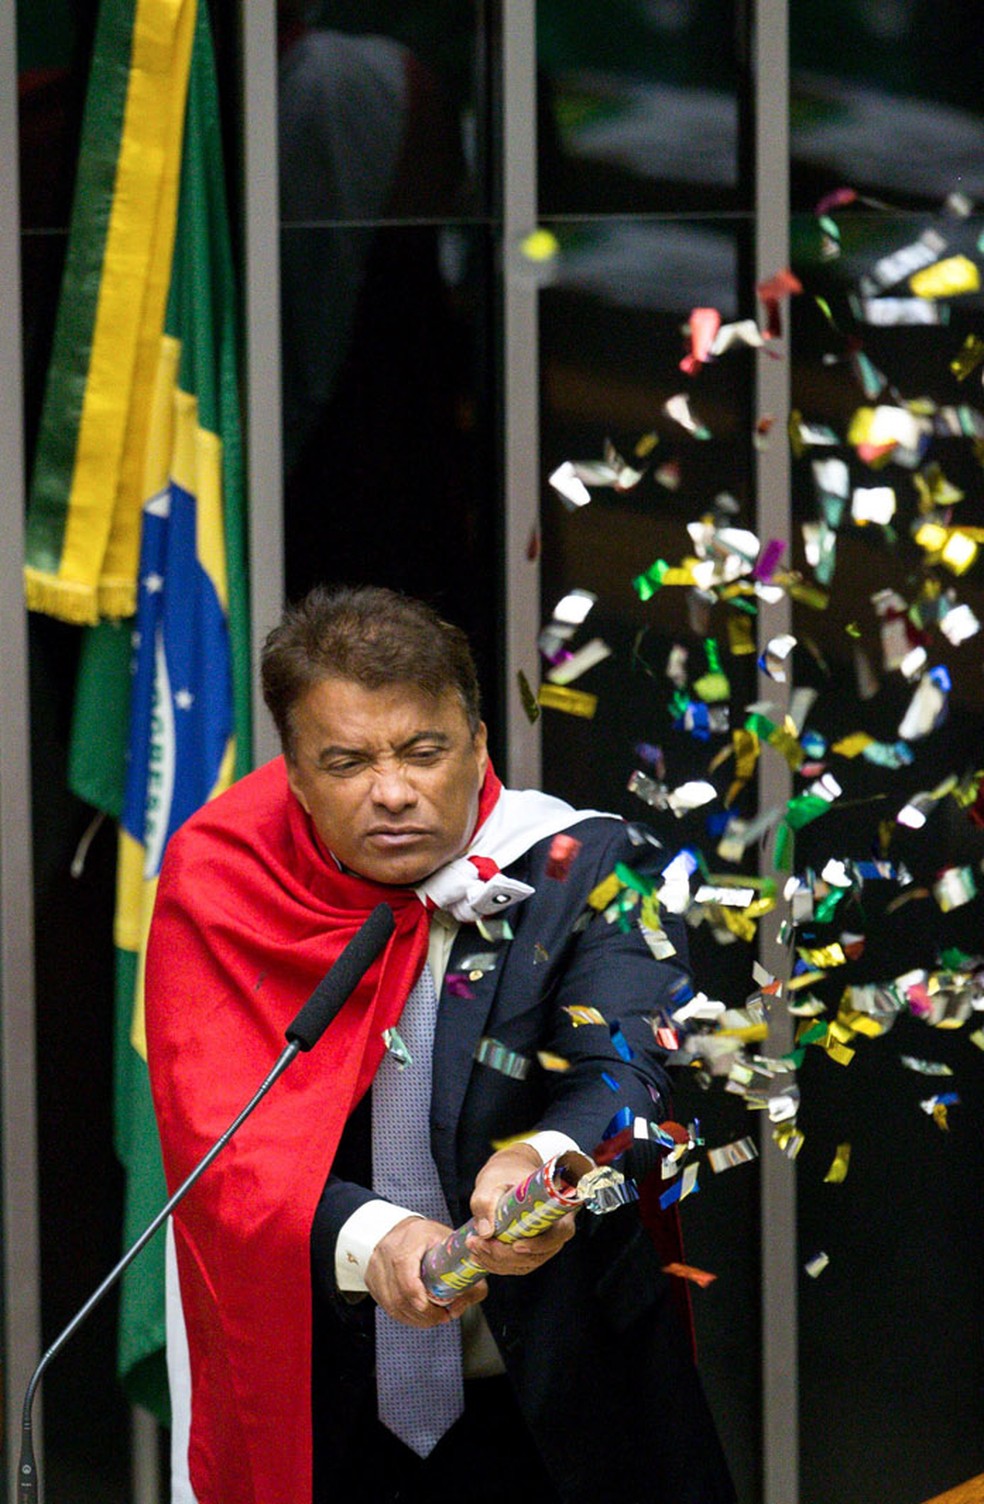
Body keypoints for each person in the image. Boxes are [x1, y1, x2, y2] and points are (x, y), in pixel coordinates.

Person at [145, 583, 736, 1504]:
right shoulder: (223, 880)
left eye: (425, 752)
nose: (393, 793)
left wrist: (543, 1159)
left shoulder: (595, 862)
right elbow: (218, 1139)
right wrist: (374, 1238)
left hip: (562, 1400)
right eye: (346, 763)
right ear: (294, 774)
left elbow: (626, 1065)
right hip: (325, 1400)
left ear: (479, 741)